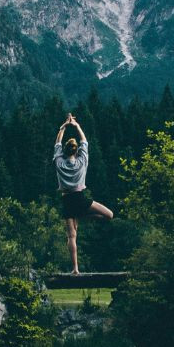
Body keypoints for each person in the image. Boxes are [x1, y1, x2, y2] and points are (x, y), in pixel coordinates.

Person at [54, 113, 112, 275]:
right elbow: (84, 141)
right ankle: (84, 216)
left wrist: (63, 127)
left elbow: (57, 143)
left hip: (67, 201)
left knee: (72, 237)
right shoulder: (82, 161)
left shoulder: (59, 162)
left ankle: (75, 269)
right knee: (109, 215)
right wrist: (76, 125)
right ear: (77, 151)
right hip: (80, 199)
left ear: (64, 151)